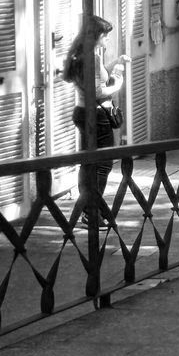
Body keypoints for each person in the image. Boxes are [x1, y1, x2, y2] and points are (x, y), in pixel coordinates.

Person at [63, 14, 125, 218]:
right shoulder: (91, 57)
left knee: (87, 161)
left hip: (81, 112)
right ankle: (92, 209)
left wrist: (116, 63)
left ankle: (87, 206)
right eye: (105, 36)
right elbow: (97, 91)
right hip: (96, 115)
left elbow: (96, 78)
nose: (106, 39)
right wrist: (118, 83)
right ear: (96, 35)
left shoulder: (78, 55)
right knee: (103, 163)